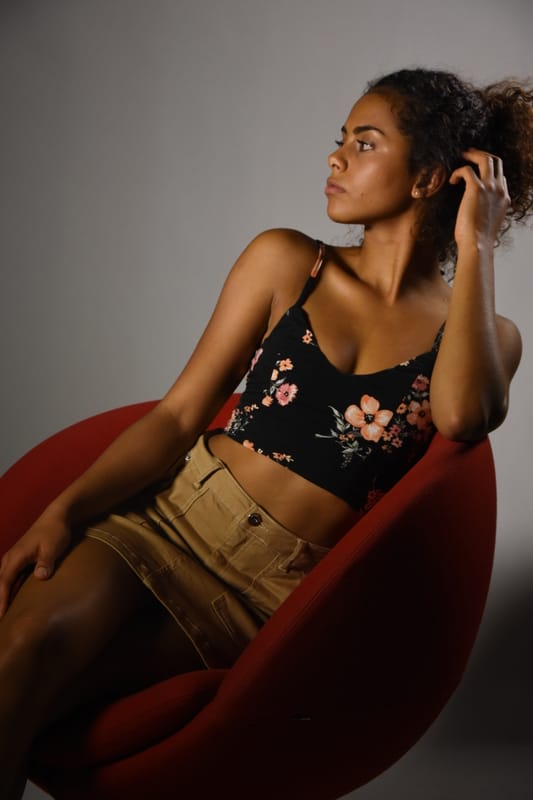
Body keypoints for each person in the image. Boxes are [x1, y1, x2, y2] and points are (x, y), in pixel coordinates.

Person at [1, 66, 532, 798]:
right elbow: (177, 416)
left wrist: (477, 247)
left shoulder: (487, 336)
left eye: (364, 143)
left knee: (46, 700)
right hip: (171, 519)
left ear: (427, 178)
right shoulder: (288, 261)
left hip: (262, 595)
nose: (334, 157)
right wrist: (64, 512)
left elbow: (465, 417)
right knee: (18, 657)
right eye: (341, 139)